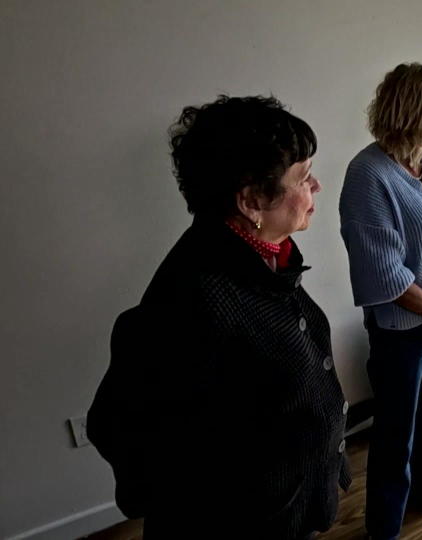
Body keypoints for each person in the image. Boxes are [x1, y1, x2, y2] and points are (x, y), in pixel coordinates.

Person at [87, 95, 350, 539]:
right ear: (251, 201)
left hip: (293, 507)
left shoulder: (261, 257)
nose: (316, 187)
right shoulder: (194, 298)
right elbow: (117, 424)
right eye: (303, 178)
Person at [338, 63, 422, 540]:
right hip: (402, 332)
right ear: (420, 113)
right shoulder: (368, 175)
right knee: (395, 435)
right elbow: (385, 276)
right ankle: (384, 530)